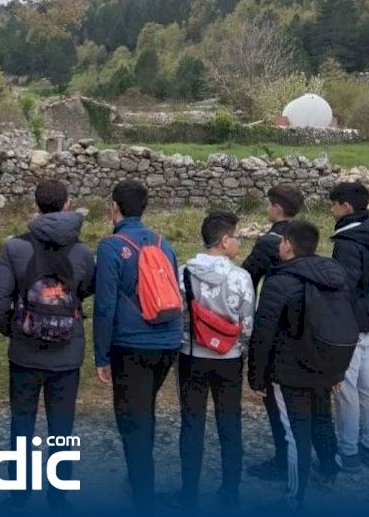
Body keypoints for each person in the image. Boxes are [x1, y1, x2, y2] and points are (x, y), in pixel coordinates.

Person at [0, 179, 94, 511]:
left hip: (25, 353)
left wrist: (14, 330)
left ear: (36, 206)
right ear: (67, 205)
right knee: (62, 427)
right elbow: (86, 290)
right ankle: (58, 496)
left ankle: (18, 493)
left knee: (21, 423)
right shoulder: (82, 252)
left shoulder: (15, 248)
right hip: (67, 353)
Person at [93, 180, 182, 513]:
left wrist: (101, 355)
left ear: (114, 207)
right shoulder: (163, 243)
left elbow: (105, 306)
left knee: (131, 416)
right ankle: (140, 478)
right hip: (168, 340)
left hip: (132, 344)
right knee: (145, 409)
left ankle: (142, 493)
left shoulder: (111, 246)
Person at [247, 220, 345, 511]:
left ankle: (293, 499)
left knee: (295, 433)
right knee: (322, 417)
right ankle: (330, 467)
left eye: (281, 241)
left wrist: (256, 376)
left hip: (289, 370)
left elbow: (263, 333)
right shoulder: (332, 276)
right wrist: (338, 369)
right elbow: (343, 324)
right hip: (324, 364)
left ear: (288, 245)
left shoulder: (278, 282)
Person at [160, 212, 255, 511]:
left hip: (191, 356)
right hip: (229, 359)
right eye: (237, 237)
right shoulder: (241, 277)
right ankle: (230, 492)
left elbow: (176, 315)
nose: (239, 242)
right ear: (225, 241)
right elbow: (247, 325)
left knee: (192, 423)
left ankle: (188, 493)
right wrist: (239, 349)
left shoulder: (182, 273)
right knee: (230, 424)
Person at [241, 184, 304, 482]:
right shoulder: (304, 235)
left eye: (269, 205)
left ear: (277, 208)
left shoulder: (269, 242)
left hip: (275, 323)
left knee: (275, 396)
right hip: (303, 321)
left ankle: (284, 458)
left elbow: (246, 277)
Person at [329, 182, 369, 471]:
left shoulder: (348, 240)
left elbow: (344, 285)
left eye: (334, 205)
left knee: (346, 387)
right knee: (367, 383)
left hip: (352, 321)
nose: (332, 210)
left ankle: (348, 450)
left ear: (345, 206)